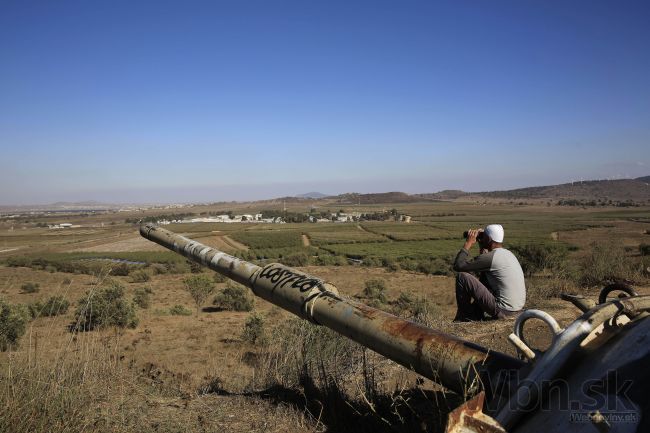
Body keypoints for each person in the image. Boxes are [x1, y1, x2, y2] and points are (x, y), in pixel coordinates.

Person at [452, 224, 525, 321]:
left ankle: (465, 317)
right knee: (487, 277)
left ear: (489, 239)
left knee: (462, 277)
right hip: (516, 309)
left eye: (484, 236)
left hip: (503, 311)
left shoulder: (491, 258)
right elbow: (484, 269)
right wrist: (482, 244)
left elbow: (458, 265)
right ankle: (476, 314)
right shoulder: (508, 254)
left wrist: (468, 243)